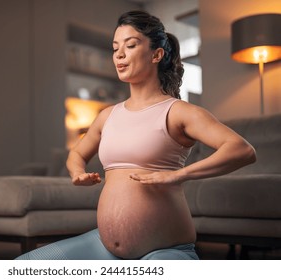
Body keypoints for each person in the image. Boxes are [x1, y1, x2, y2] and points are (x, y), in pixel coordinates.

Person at [15, 10, 256, 260]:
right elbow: (77, 152)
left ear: (156, 54)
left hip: (165, 250)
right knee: (23, 267)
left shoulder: (178, 112)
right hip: (103, 246)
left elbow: (241, 150)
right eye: (115, 47)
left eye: (130, 45)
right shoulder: (107, 115)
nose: (119, 54)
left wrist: (178, 175)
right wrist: (77, 172)